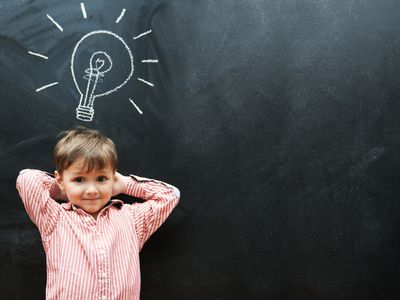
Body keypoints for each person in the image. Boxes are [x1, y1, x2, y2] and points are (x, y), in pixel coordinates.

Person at [16, 126, 180, 300]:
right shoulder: (54, 218)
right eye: (79, 179)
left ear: (113, 177)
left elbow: (169, 195)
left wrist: (124, 184)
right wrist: (64, 190)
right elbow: (26, 180)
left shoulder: (132, 219)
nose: (92, 190)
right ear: (60, 179)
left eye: (101, 179)